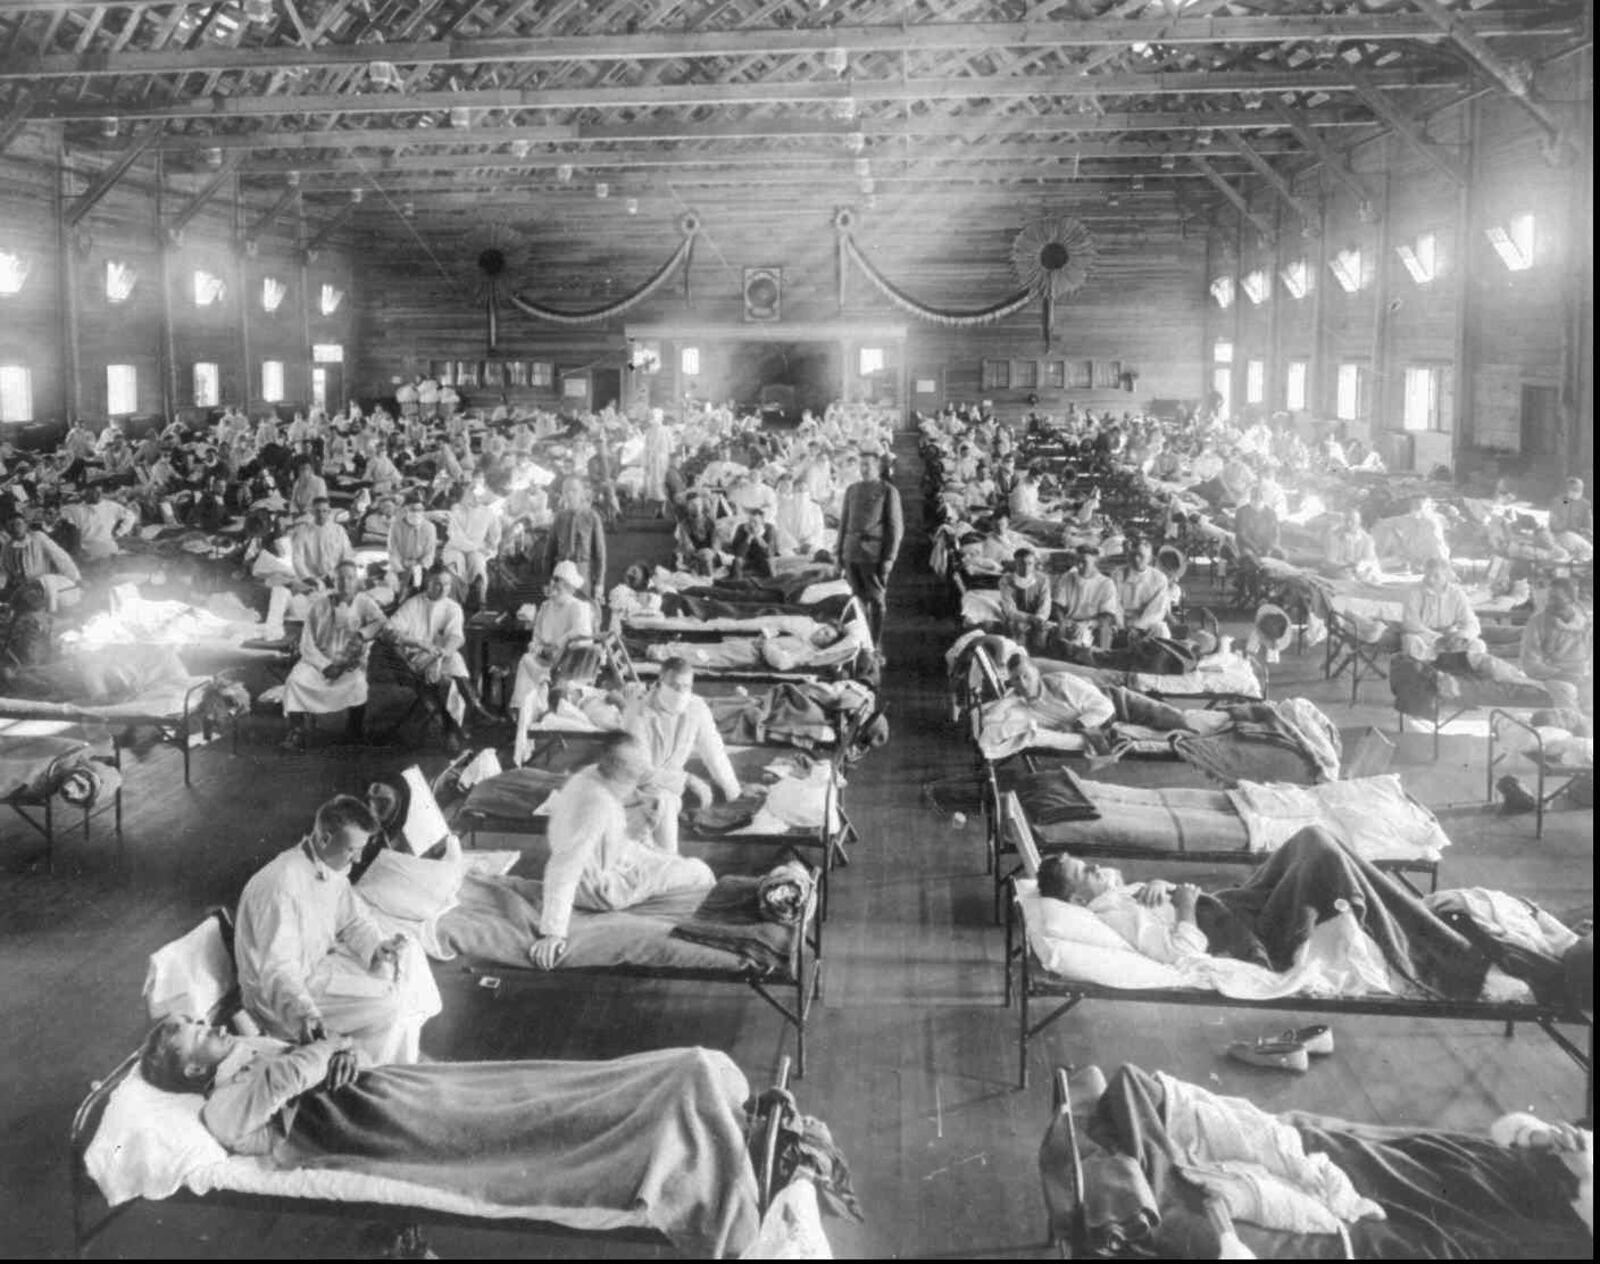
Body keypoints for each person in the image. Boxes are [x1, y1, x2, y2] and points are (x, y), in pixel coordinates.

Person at [233, 795, 437, 1066]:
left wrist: (377, 947)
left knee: (407, 954)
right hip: (281, 1000)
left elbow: (353, 921)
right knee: (390, 1004)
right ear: (326, 838)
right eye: (353, 849)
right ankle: (375, 1073)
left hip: (314, 969)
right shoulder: (280, 886)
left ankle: (394, 1052)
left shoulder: (330, 867)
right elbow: (277, 970)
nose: (360, 857)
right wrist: (305, 1014)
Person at [528, 731, 716, 970]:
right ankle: (704, 926)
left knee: (668, 856)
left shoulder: (590, 775)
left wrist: (688, 780)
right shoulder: (597, 805)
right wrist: (553, 932)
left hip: (612, 859)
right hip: (600, 889)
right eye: (634, 773)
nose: (640, 777)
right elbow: (564, 866)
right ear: (619, 770)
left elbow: (646, 771)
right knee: (700, 871)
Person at [621, 659, 743, 854]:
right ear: (660, 682)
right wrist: (687, 778)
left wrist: (733, 791)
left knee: (665, 802)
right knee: (662, 805)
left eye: (686, 686)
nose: (680, 692)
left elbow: (714, 750)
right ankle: (669, 862)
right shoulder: (637, 711)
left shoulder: (696, 707)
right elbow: (639, 770)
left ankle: (668, 864)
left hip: (668, 788)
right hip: (635, 787)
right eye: (674, 686)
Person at [281, 559, 387, 750]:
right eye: (341, 579)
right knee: (295, 680)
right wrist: (325, 666)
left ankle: (354, 731)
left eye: (350, 578)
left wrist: (362, 634)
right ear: (333, 581)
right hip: (318, 661)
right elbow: (306, 643)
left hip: (348, 662)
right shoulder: (319, 604)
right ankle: (296, 731)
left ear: (357, 580)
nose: (346, 583)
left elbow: (381, 621)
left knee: (357, 683)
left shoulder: (364, 602)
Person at [385, 567, 490, 753]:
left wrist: (440, 655)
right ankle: (461, 722)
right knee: (448, 681)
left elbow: (456, 637)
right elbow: (389, 630)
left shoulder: (453, 607)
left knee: (453, 661)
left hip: (441, 657)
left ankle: (465, 715)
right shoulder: (413, 604)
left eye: (447, 584)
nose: (443, 589)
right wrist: (418, 642)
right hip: (416, 659)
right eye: (437, 584)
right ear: (428, 583)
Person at [509, 559, 595, 720]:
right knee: (526, 660)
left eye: (559, 582)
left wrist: (561, 643)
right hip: (544, 658)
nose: (554, 586)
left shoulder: (578, 607)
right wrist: (540, 649)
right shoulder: (545, 607)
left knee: (529, 665)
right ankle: (525, 714)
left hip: (567, 661)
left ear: (570, 586)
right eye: (554, 581)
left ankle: (537, 710)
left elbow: (584, 636)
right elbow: (536, 637)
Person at [835, 451, 903, 649]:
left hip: (874, 554)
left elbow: (895, 527)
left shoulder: (887, 491)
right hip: (851, 551)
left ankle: (876, 642)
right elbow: (843, 524)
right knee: (857, 600)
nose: (864, 469)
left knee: (876, 599)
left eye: (868, 465)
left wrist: (890, 557)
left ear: (878, 467)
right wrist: (839, 554)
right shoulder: (852, 489)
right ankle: (863, 643)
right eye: (862, 465)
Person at [1519, 578, 1592, 711]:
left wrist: (1584, 676)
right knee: (1567, 694)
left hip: (1581, 675)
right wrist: (1563, 674)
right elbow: (1530, 665)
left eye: (1556, 598)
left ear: (1571, 600)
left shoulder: (1585, 624)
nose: (1550, 603)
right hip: (1553, 676)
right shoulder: (1537, 623)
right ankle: (1570, 727)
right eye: (1549, 598)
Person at [1401, 557, 1485, 661]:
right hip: (1424, 637)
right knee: (1411, 642)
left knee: (1478, 645)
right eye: (1428, 575)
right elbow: (1411, 623)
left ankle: (1461, 668)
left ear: (1446, 576)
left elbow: (1471, 622)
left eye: (1436, 576)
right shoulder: (1414, 592)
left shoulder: (1457, 594)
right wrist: (1437, 638)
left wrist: (1462, 636)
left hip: (1451, 638)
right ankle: (1426, 669)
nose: (1431, 579)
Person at [545, 475, 608, 603]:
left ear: (582, 493)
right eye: (566, 491)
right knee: (560, 611)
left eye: (574, 490)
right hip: (561, 570)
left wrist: (599, 583)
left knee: (583, 612)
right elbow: (549, 552)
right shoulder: (559, 518)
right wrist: (548, 579)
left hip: (582, 570)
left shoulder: (592, 517)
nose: (570, 494)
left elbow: (600, 554)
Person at [441, 482, 502, 610]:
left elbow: (495, 535)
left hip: (477, 551)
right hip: (455, 547)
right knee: (455, 565)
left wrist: (491, 546)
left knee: (478, 566)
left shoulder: (488, 512)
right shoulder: (456, 509)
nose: (475, 498)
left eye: (478, 494)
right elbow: (456, 536)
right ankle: (454, 604)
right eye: (471, 493)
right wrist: (476, 547)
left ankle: (481, 603)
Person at [0, 512, 80, 610]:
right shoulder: (7, 548)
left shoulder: (38, 538)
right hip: (22, 590)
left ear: (26, 525)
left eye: (18, 524)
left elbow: (61, 557)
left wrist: (74, 579)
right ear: (7, 529)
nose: (15, 528)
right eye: (11, 526)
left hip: (43, 586)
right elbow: (5, 572)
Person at [1052, 546, 1121, 650]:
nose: (1079, 566)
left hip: (1094, 624)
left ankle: (1102, 657)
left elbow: (1107, 615)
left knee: (1105, 631)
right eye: (1077, 561)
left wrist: (1086, 624)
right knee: (1061, 641)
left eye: (1084, 562)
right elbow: (1058, 606)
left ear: (1095, 561)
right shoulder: (1067, 577)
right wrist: (1063, 620)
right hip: (1071, 622)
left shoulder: (1106, 583)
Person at [58, 486, 138, 561]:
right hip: (98, 551)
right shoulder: (74, 509)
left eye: (98, 492)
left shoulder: (111, 506)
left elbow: (131, 517)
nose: (98, 495)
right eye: (94, 492)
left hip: (97, 551)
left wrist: (118, 533)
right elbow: (58, 513)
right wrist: (118, 533)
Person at [1114, 537, 1174, 639]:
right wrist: (1122, 625)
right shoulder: (1118, 575)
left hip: (1147, 622)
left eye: (1140, 556)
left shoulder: (1159, 578)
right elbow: (1115, 603)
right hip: (1121, 620)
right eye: (1133, 555)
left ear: (1150, 558)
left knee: (1162, 631)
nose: (1136, 559)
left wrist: (1138, 626)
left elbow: (1156, 608)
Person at [291, 497, 354, 587]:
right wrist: (307, 578)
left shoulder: (339, 530)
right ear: (312, 512)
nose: (321, 514)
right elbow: (297, 558)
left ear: (329, 512)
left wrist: (336, 575)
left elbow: (347, 554)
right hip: (312, 579)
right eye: (318, 511)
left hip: (336, 578)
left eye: (324, 511)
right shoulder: (303, 531)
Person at [385, 493, 438, 600]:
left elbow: (429, 554)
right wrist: (401, 570)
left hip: (421, 567)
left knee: (423, 590)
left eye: (420, 510)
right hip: (399, 567)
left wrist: (420, 568)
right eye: (413, 510)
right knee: (392, 585)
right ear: (406, 510)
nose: (416, 513)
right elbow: (392, 552)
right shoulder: (396, 526)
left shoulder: (430, 527)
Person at [998, 548, 1053, 650]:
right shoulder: (1006, 580)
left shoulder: (1043, 579)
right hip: (1015, 619)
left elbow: (1045, 604)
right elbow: (1010, 610)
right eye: (1022, 564)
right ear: (1015, 564)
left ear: (1034, 564)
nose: (1026, 568)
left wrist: (1040, 618)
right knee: (1017, 644)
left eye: (1030, 564)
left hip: (1037, 619)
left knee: (1040, 641)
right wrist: (1029, 618)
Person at [1322, 507, 1379, 580]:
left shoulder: (1367, 539)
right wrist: (1346, 566)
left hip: (1360, 570)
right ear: (1343, 521)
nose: (1349, 524)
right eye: (1346, 521)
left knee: (1372, 578)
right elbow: (1330, 561)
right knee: (1349, 579)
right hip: (1339, 571)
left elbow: (1369, 559)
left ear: (1359, 522)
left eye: (1352, 521)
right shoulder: (1333, 536)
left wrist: (1360, 567)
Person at [726, 505, 778, 580]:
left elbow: (769, 552)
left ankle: (773, 582)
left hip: (762, 558)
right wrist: (748, 538)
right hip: (747, 558)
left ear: (762, 522)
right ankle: (738, 584)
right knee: (738, 560)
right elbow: (738, 553)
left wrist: (758, 537)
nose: (752, 524)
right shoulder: (741, 528)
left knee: (770, 561)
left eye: (755, 522)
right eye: (750, 521)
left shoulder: (769, 528)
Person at [1550, 476, 1594, 558]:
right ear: (1567, 490)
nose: (1575, 493)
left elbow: (1589, 523)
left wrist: (1587, 532)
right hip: (1562, 534)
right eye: (1572, 490)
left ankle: (1582, 564)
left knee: (1587, 548)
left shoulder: (1584, 504)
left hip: (1580, 535)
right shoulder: (1561, 501)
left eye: (1578, 491)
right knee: (1588, 550)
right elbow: (1556, 523)